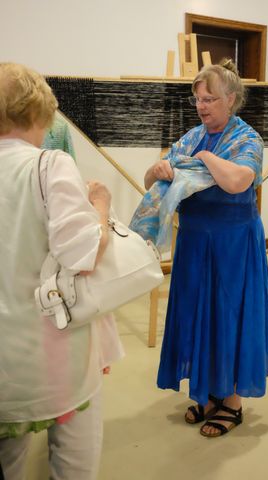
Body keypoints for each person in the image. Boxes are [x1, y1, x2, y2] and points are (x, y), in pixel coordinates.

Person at [0, 63, 124, 478]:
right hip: (53, 358)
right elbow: (84, 253)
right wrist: (101, 205)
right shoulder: (49, 165)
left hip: (4, 367)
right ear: (37, 113)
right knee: (73, 456)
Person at [143, 59, 268, 438]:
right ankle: (205, 390)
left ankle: (230, 402)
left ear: (231, 99)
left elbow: (238, 182)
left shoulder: (247, 139)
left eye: (210, 99)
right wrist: (159, 168)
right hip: (196, 244)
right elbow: (150, 177)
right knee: (197, 314)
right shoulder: (190, 136)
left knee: (227, 316)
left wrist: (204, 158)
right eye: (197, 99)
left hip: (233, 246)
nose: (201, 106)